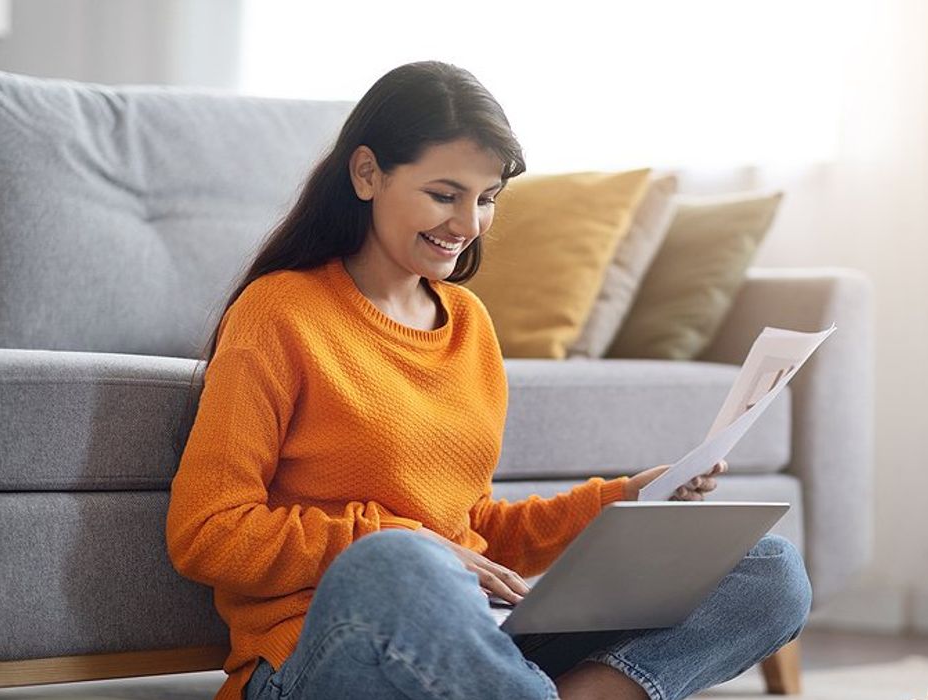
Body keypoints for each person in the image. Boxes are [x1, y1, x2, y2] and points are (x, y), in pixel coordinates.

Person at [166, 61, 811, 700]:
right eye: (445, 195)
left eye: (487, 199)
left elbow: (471, 529)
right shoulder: (279, 312)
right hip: (318, 652)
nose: (469, 225)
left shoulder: (468, 323)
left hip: (477, 636)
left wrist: (624, 501)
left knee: (770, 572)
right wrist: (404, 542)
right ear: (367, 174)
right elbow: (207, 533)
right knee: (397, 564)